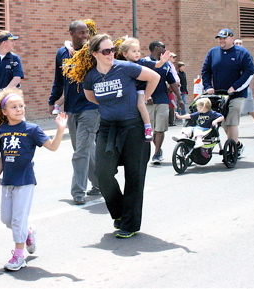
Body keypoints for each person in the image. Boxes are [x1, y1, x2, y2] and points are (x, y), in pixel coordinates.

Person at [83, 34, 160, 238]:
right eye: (105, 51)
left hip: (133, 127)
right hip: (108, 128)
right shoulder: (91, 76)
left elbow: (154, 77)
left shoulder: (125, 68)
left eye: (112, 50)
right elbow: (90, 96)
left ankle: (129, 225)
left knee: (134, 178)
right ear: (95, 54)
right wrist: (110, 105)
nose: (111, 54)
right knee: (103, 174)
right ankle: (119, 213)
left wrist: (144, 98)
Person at [0, 88, 68, 271]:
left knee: (17, 220)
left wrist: (60, 130)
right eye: (14, 107)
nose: (19, 109)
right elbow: (2, 159)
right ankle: (28, 232)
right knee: (7, 219)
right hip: (8, 181)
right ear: (4, 111)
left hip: (25, 180)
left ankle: (18, 255)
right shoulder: (1, 131)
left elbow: (52, 147)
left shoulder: (32, 129)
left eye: (21, 106)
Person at [48, 20, 100, 205]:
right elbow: (59, 80)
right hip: (71, 107)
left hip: (91, 107)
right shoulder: (62, 53)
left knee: (81, 151)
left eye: (86, 32)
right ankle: (100, 182)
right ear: (71, 33)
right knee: (83, 148)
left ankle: (78, 192)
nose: (84, 35)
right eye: (80, 33)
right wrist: (53, 100)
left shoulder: (91, 53)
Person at [201, 29, 254, 157]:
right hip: (219, 95)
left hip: (236, 94)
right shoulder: (212, 52)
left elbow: (249, 72)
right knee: (223, 122)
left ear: (231, 39)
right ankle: (236, 144)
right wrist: (208, 86)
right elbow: (205, 71)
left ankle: (232, 151)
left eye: (224, 38)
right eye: (220, 38)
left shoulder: (242, 53)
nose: (221, 41)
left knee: (231, 122)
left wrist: (235, 87)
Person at [118, 37, 170, 141]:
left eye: (138, 51)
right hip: (127, 90)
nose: (137, 53)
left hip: (139, 89)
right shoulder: (121, 64)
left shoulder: (142, 62)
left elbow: (157, 65)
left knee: (141, 105)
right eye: (134, 51)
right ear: (125, 54)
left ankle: (148, 127)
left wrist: (162, 61)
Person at [144, 41, 183, 164]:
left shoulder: (166, 65)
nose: (165, 49)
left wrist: (179, 98)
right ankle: (157, 150)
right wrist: (146, 95)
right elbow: (139, 81)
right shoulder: (145, 62)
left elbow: (172, 82)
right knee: (153, 129)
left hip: (162, 100)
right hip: (148, 101)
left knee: (160, 129)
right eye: (163, 47)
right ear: (156, 48)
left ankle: (156, 153)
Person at [234, 38, 254, 136]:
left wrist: (252, 88)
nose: (238, 44)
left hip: (245, 87)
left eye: (240, 43)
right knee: (235, 109)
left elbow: (250, 72)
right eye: (236, 43)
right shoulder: (231, 55)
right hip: (234, 87)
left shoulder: (246, 56)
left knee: (250, 108)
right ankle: (234, 129)